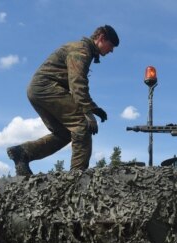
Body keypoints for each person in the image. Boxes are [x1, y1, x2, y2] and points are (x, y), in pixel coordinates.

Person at [7, 25, 119, 176]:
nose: (111, 50)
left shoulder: (83, 50)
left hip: (38, 90)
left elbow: (76, 84)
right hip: (46, 88)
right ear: (101, 38)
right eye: (111, 45)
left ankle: (23, 153)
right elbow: (77, 82)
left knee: (65, 133)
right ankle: (77, 178)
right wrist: (87, 112)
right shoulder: (82, 50)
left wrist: (93, 107)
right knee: (82, 126)